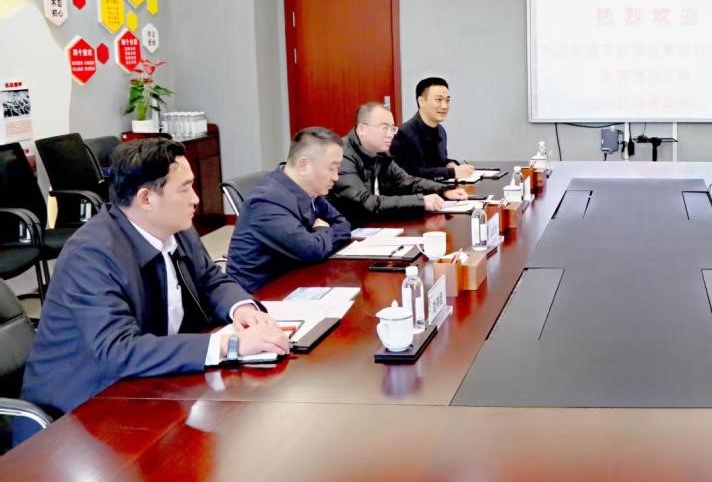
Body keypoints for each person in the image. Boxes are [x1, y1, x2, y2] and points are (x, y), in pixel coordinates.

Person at [21, 139, 291, 417]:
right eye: (184, 189)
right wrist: (230, 345)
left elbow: (210, 280)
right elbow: (119, 350)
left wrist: (242, 308)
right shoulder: (91, 255)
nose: (196, 199)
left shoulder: (177, 228)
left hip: (150, 382)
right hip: (82, 405)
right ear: (146, 199)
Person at [227, 127, 353, 293]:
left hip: (298, 277)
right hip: (261, 295)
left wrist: (319, 240)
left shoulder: (310, 190)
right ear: (303, 165)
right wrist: (322, 229)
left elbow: (343, 224)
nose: (336, 177)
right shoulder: (266, 202)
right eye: (331, 168)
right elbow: (311, 250)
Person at [329, 101, 468, 225]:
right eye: (384, 128)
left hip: (372, 224)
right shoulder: (342, 156)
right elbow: (366, 202)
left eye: (392, 128)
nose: (390, 134)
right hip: (347, 231)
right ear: (362, 129)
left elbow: (407, 181)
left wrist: (444, 190)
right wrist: (421, 202)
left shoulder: (381, 152)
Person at [391, 76, 476, 181]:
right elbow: (411, 174)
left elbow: (438, 162)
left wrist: (450, 164)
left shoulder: (440, 131)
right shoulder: (403, 134)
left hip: (438, 188)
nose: (444, 106)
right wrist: (451, 172)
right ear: (421, 101)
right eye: (439, 100)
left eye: (447, 100)